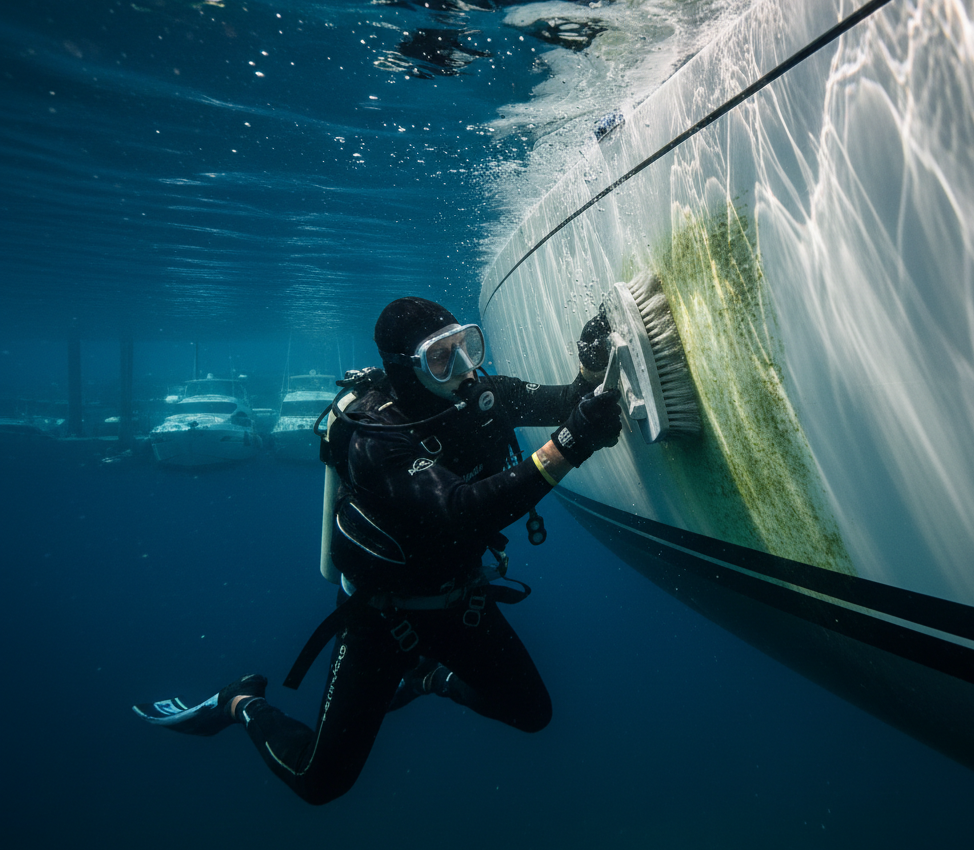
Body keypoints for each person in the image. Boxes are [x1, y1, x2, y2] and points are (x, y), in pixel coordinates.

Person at [134, 297, 621, 805]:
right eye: (440, 356)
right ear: (404, 369)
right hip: (382, 619)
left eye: (465, 346)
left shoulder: (483, 395)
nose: (462, 368)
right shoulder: (375, 435)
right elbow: (462, 508)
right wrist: (570, 445)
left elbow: (570, 403)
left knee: (532, 713)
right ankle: (241, 703)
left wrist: (589, 367)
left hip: (460, 599)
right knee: (319, 781)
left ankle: (430, 675)